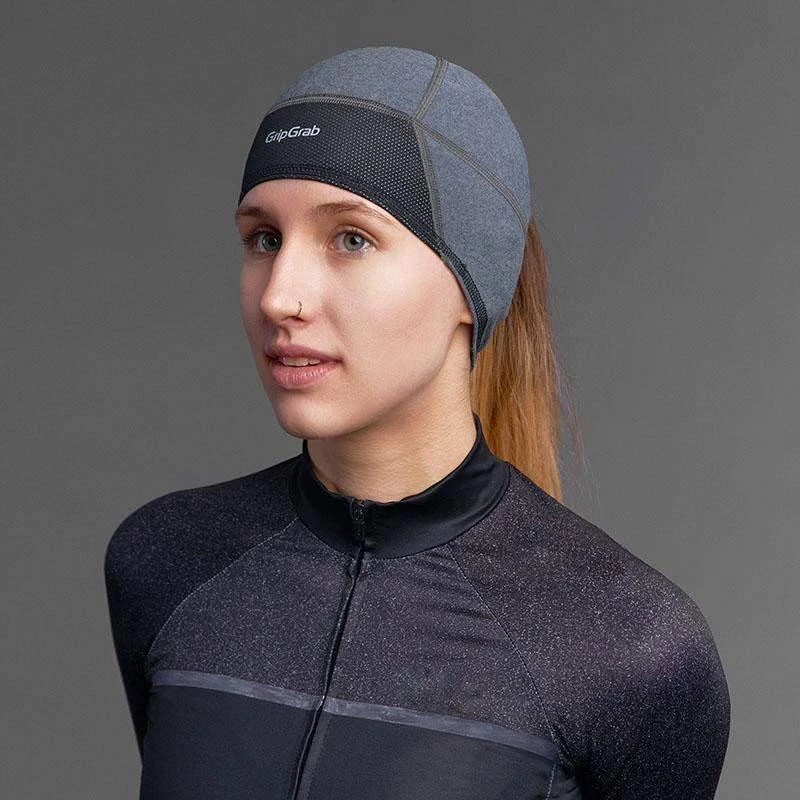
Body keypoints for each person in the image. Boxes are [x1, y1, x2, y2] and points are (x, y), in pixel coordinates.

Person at [104, 45, 730, 799]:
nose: (278, 297)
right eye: (264, 239)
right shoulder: (167, 563)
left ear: (471, 281)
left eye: (352, 239)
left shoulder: (629, 646)